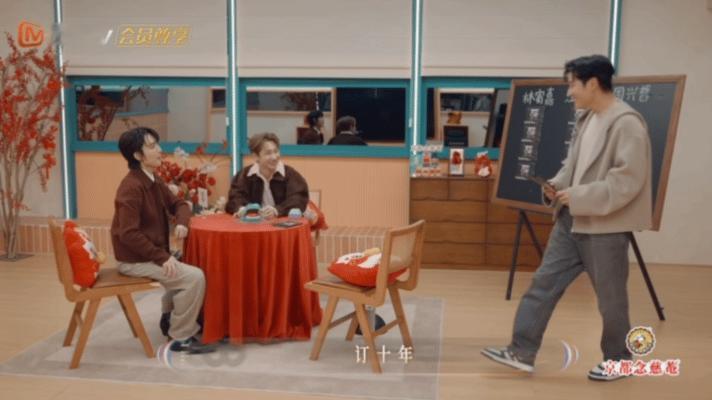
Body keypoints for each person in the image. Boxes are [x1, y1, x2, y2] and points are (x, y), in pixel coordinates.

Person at [481, 55, 652, 381]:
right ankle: (521, 351)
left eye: (573, 84)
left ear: (593, 83)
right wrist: (557, 186)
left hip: (604, 227)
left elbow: (628, 182)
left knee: (611, 300)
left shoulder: (627, 123)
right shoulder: (586, 119)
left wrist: (581, 196)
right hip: (570, 221)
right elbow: (572, 165)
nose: (569, 92)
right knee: (542, 285)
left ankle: (619, 361)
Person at [111, 127, 214, 354]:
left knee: (191, 264)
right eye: (152, 146)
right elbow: (127, 233)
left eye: (157, 144)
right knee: (194, 277)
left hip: (149, 254)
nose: (159, 150)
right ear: (137, 155)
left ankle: (169, 318)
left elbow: (180, 204)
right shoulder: (131, 188)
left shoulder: (152, 180)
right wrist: (162, 257)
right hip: (134, 260)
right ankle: (180, 337)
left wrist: (182, 222)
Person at [226, 132, 309, 217]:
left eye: (276, 151)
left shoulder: (291, 175)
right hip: (254, 223)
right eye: (268, 153)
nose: (274, 157)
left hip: (283, 223)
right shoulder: (244, 175)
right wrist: (241, 209)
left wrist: (277, 210)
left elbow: (299, 199)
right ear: (256, 157)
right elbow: (235, 198)